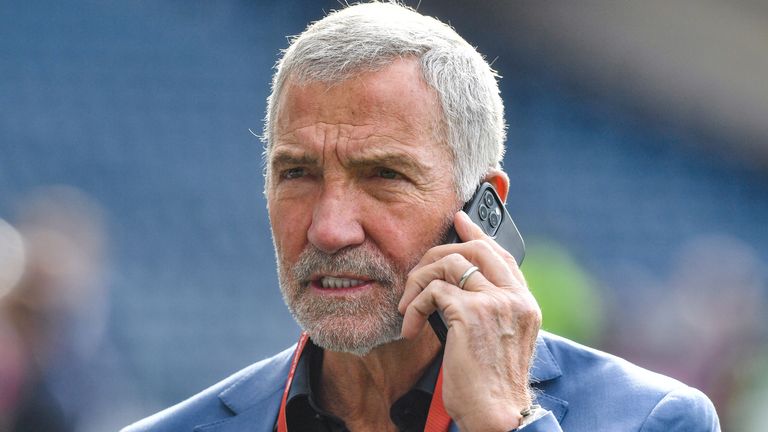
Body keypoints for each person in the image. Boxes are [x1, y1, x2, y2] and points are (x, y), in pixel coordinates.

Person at [123, 2, 720, 431]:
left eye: (384, 175)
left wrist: (506, 426)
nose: (330, 228)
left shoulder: (652, 421)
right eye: (297, 173)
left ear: (481, 205)